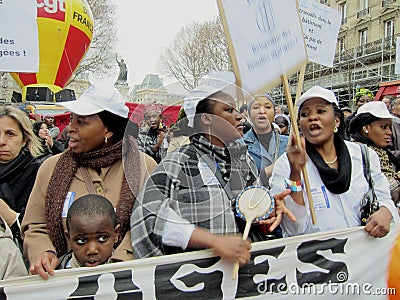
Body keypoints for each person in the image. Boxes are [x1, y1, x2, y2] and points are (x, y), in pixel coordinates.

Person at [130, 81, 294, 264]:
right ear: (206, 119)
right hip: (198, 281)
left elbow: (248, 210)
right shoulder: (179, 162)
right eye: (229, 110)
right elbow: (145, 217)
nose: (240, 117)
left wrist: (266, 208)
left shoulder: (243, 160)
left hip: (245, 275)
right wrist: (211, 241)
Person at [21, 85, 157, 280]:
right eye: (71, 120)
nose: (70, 129)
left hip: (127, 280)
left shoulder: (145, 167)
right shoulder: (51, 168)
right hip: (64, 280)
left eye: (82, 122)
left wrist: (121, 262)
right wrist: (43, 252)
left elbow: (150, 223)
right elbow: (35, 225)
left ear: (108, 130)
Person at [269, 86, 399, 237]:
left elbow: (384, 197)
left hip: (365, 254)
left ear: (336, 120)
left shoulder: (364, 156)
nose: (312, 117)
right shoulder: (285, 164)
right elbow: (294, 229)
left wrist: (386, 211)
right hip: (320, 257)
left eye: (321, 111)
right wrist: (295, 174)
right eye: (305, 114)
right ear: (299, 124)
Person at [0, 106, 43, 247]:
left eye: (10, 134)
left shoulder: (40, 174)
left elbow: (44, 233)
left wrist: (11, 217)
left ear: (25, 139)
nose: (1, 141)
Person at [349, 101, 400, 206]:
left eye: (390, 127)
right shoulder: (357, 155)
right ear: (366, 128)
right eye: (383, 127)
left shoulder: (383, 152)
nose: (389, 132)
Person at [57, 194, 120, 269]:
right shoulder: (54, 275)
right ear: (69, 238)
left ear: (116, 234)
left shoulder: (130, 271)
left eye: (102, 238)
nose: (92, 250)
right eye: (82, 240)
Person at [242, 94, 288, 185]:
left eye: (267, 107)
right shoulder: (239, 146)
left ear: (275, 113)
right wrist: (272, 169)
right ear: (249, 114)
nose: (262, 111)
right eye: (256, 107)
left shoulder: (289, 143)